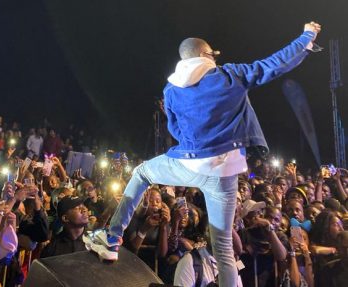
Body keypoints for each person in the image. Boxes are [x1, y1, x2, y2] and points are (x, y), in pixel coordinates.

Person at [85, 22, 321, 287]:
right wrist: (306, 37)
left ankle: (112, 239)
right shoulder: (230, 75)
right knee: (223, 249)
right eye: (213, 55)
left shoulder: (171, 90)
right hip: (224, 174)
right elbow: (274, 64)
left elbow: (175, 130)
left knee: (141, 174)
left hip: (188, 164)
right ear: (205, 54)